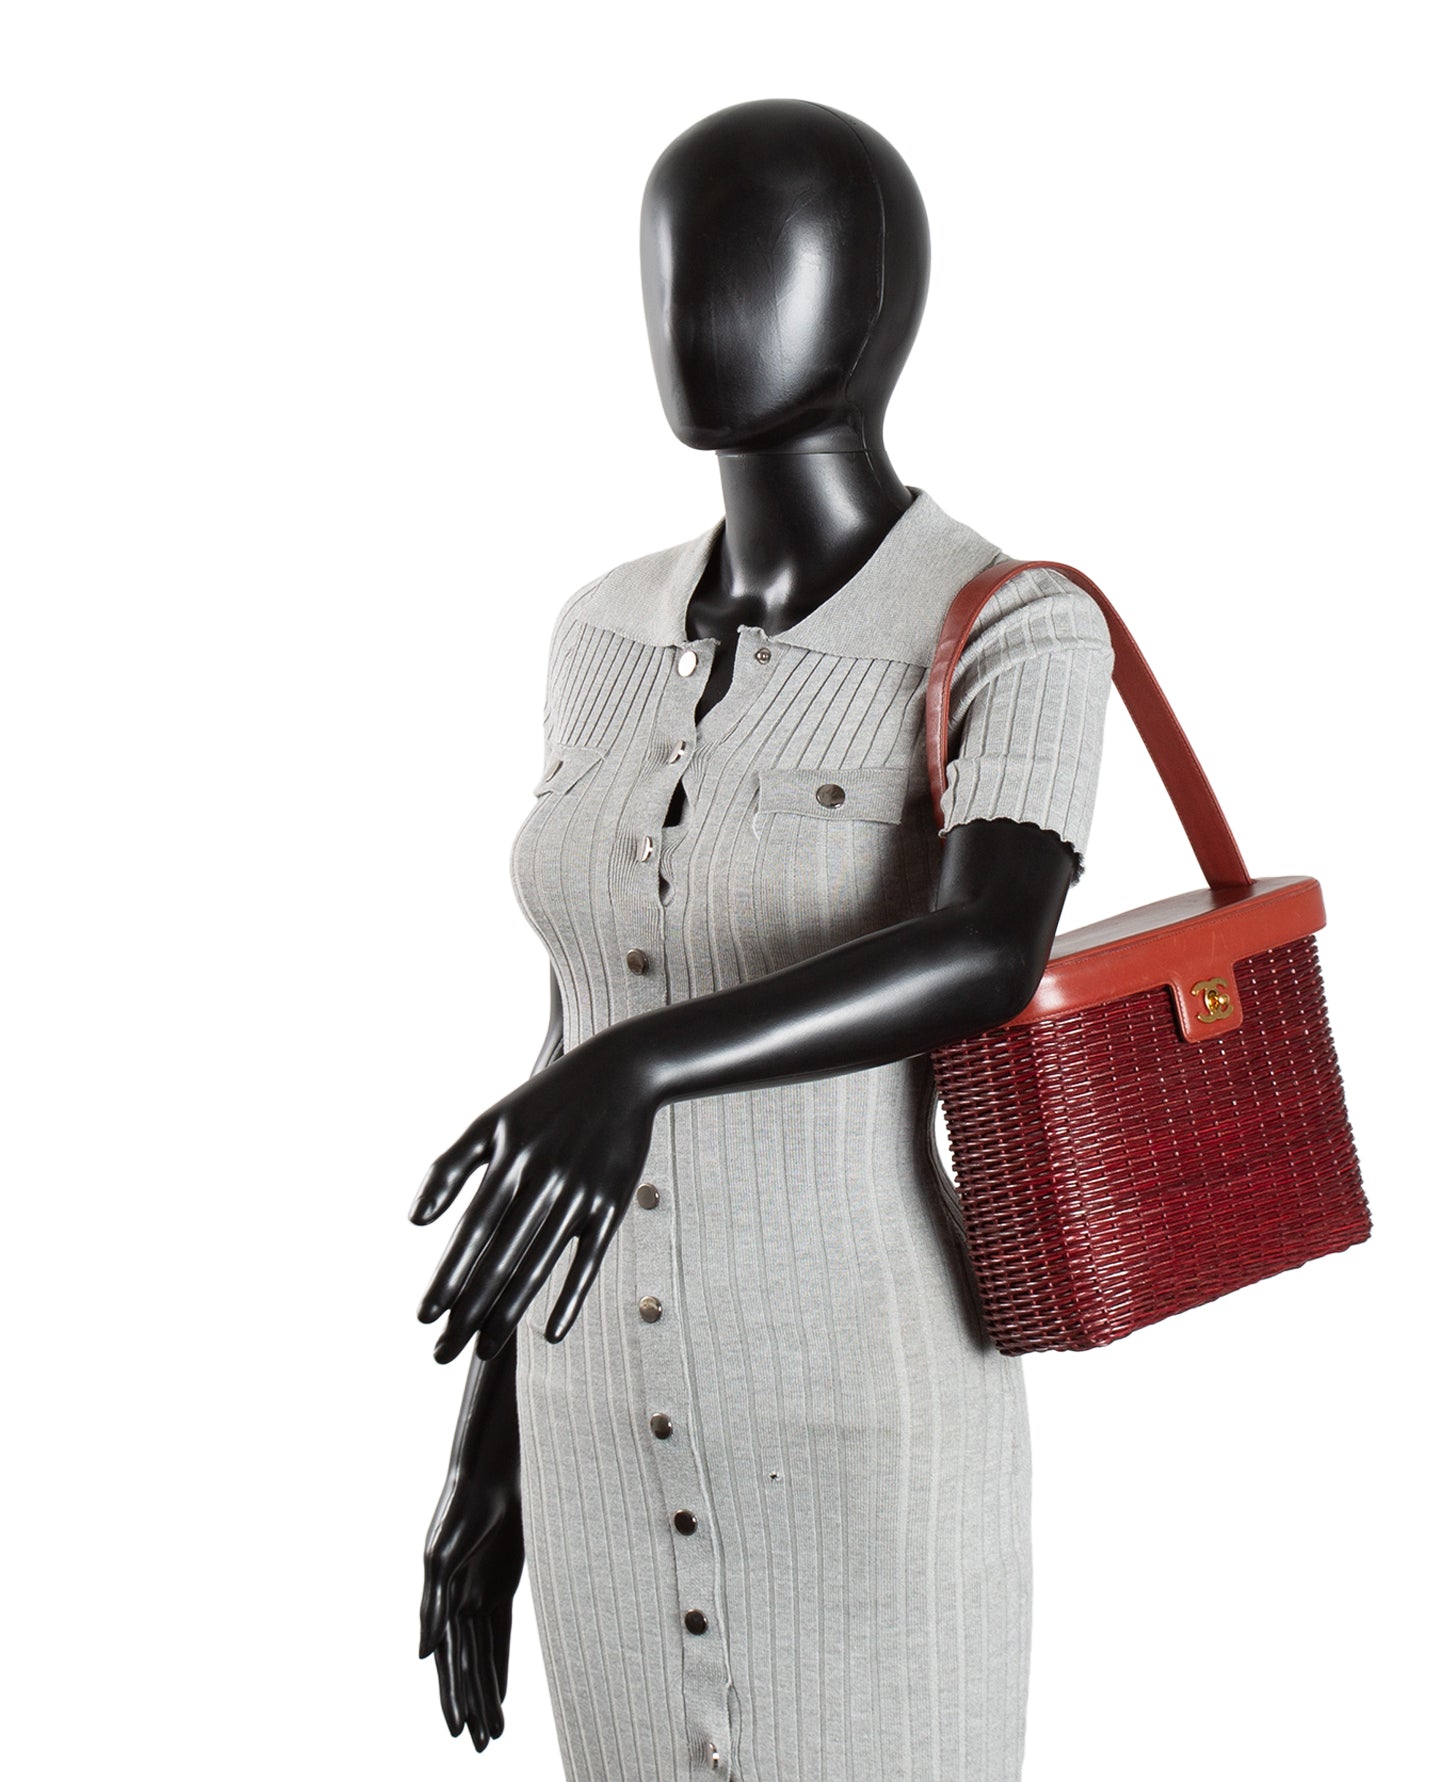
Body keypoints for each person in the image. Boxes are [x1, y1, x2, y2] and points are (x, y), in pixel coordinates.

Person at [412, 97, 1116, 1781]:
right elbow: (570, 1040)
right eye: (671, 262)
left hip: (855, 1415)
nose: (694, 307)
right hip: (587, 1426)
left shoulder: (1015, 626)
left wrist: (645, 1064)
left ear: (870, 301)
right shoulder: (597, 632)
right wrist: (488, 1447)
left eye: (748, 263)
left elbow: (987, 942)